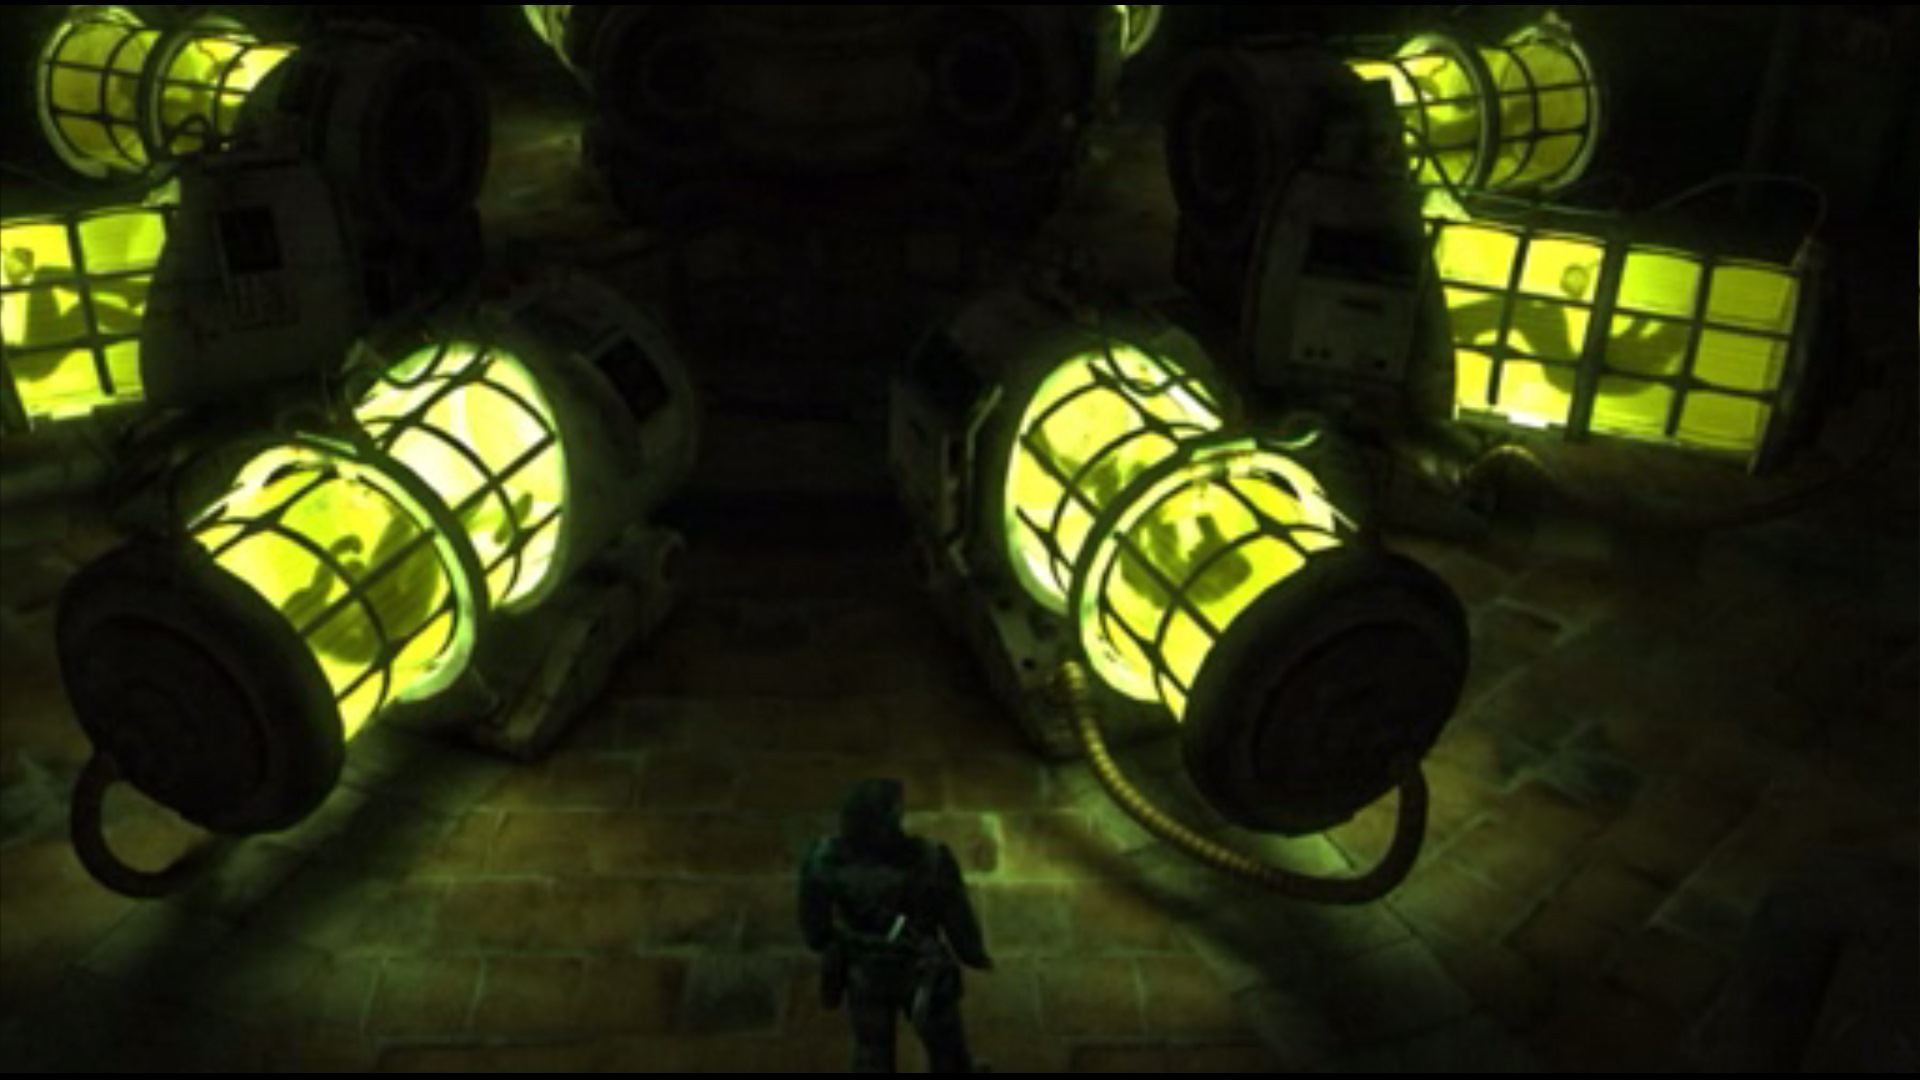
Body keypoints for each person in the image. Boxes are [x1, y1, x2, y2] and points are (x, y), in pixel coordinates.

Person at [799, 779, 992, 1073]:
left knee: (872, 1053)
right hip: (921, 969)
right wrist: (974, 953)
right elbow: (959, 921)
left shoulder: (823, 861)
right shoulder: (931, 859)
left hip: (865, 972)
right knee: (947, 1050)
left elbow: (815, 933)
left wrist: (839, 945)